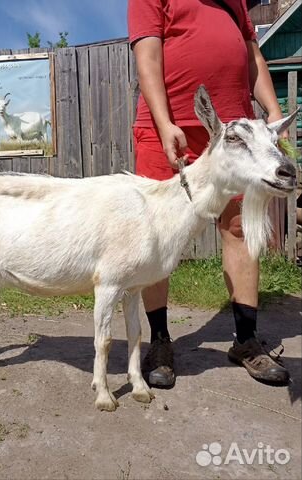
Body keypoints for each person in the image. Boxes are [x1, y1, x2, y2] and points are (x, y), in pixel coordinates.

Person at [127, 0, 290, 387]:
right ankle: (160, 341)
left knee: (238, 227)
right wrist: (165, 123)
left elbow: (252, 57)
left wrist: (271, 111)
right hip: (169, 128)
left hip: (236, 135)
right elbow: (147, 57)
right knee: (153, 233)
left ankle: (246, 341)